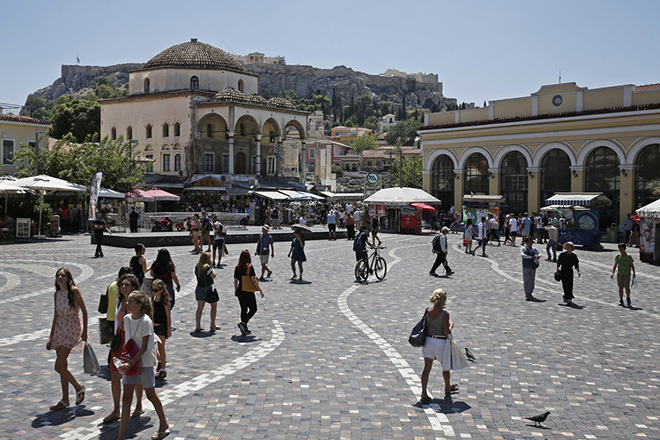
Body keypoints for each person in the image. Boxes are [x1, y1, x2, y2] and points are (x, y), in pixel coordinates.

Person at [116, 291, 169, 440]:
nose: (127, 303)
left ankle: (163, 424)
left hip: (144, 363)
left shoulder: (146, 321)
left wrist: (129, 363)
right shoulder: (126, 319)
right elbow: (128, 343)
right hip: (130, 363)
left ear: (139, 305)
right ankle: (121, 437)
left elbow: (144, 347)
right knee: (126, 399)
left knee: (151, 395)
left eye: (131, 301)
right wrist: (121, 360)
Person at [102, 274, 144, 424]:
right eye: (122, 285)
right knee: (114, 373)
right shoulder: (120, 300)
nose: (123, 287)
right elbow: (116, 322)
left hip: (132, 343)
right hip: (119, 342)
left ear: (134, 287)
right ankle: (116, 410)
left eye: (127, 285)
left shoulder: (138, 303)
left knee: (135, 375)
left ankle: (139, 405)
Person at [47, 268, 88, 410]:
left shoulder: (74, 291)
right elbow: (56, 315)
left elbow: (84, 311)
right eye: (58, 275)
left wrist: (85, 332)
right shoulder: (56, 294)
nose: (59, 277)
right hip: (60, 327)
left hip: (72, 327)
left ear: (68, 278)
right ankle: (65, 399)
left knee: (58, 366)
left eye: (62, 275)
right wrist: (51, 336)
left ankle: (78, 387)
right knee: (62, 366)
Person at [420, 288, 459, 404]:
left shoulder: (428, 310)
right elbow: (446, 332)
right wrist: (451, 325)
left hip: (428, 342)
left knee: (426, 369)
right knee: (445, 367)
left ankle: (423, 393)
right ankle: (447, 387)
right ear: (444, 300)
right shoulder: (445, 314)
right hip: (440, 343)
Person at [234, 250, 264, 336]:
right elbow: (253, 280)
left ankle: (244, 328)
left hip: (240, 291)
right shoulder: (249, 267)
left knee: (244, 309)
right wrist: (260, 290)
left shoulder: (237, 267)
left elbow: (235, 280)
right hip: (248, 291)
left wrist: (235, 290)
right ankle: (243, 323)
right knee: (253, 309)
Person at [194, 252, 219, 332]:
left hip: (199, 288)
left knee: (199, 308)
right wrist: (212, 267)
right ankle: (212, 324)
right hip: (208, 289)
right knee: (213, 306)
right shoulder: (207, 267)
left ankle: (198, 325)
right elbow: (213, 275)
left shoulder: (197, 267)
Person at [151, 279, 172, 379]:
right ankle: (160, 360)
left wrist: (168, 330)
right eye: (153, 289)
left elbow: (168, 316)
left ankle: (163, 368)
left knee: (161, 347)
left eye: (156, 290)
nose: (154, 292)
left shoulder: (165, 303)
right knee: (150, 347)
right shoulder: (151, 300)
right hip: (152, 327)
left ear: (161, 290)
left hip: (161, 327)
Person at [611, 243, 636, 307]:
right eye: (619, 248)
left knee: (627, 287)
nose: (620, 250)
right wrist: (612, 273)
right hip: (620, 274)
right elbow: (615, 265)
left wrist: (634, 273)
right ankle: (621, 300)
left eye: (622, 248)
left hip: (627, 274)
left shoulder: (628, 257)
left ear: (625, 249)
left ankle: (628, 297)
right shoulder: (618, 257)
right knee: (620, 288)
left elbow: (632, 265)